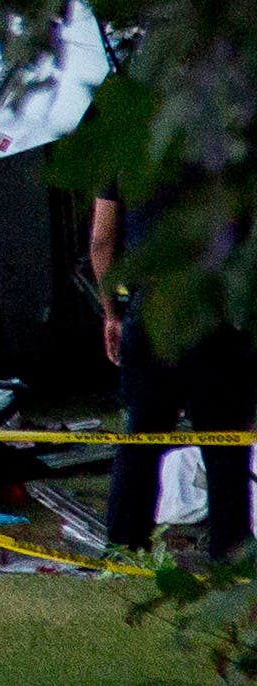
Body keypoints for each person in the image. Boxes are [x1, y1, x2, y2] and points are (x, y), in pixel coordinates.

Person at [92, 186, 257, 562]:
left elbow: (102, 241)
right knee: (225, 445)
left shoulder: (126, 141)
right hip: (220, 310)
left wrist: (112, 312)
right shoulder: (232, 135)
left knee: (141, 438)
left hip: (153, 309)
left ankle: (123, 552)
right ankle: (230, 560)